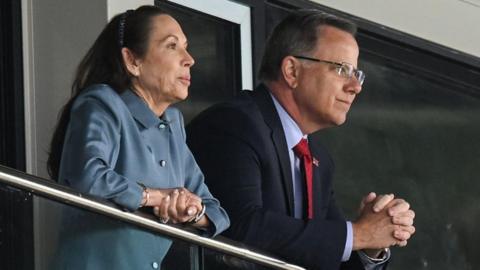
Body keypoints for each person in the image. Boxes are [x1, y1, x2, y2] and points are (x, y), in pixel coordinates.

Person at [186, 10, 415, 270]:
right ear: (292, 71)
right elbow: (239, 223)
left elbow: (322, 254)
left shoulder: (318, 158)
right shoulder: (234, 124)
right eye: (342, 69)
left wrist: (371, 246)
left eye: (357, 74)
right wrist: (359, 234)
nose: (355, 86)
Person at [47, 6, 229, 269]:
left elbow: (216, 212)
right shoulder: (102, 102)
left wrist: (190, 211)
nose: (189, 59)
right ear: (132, 61)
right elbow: (87, 175)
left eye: (186, 47)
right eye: (172, 46)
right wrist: (155, 197)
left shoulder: (173, 123)